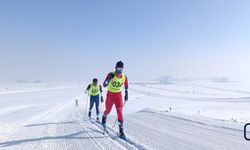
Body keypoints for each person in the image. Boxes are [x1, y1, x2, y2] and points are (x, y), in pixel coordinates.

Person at [101, 61, 128, 139]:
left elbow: (126, 86)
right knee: (108, 110)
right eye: (118, 69)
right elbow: (104, 85)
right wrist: (108, 80)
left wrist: (126, 94)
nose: (119, 71)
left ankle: (121, 131)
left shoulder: (124, 77)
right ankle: (104, 115)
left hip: (118, 95)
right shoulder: (111, 74)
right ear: (115, 68)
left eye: (121, 69)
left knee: (119, 111)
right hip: (110, 95)